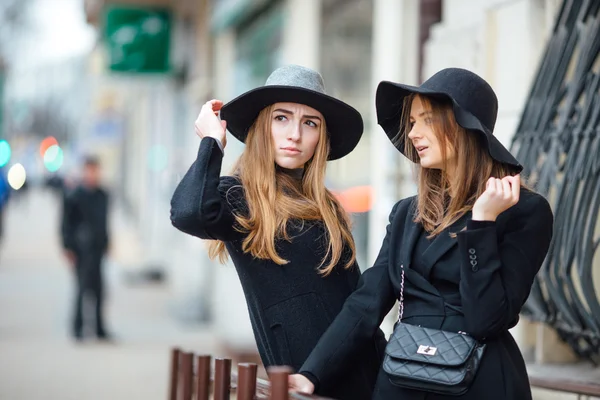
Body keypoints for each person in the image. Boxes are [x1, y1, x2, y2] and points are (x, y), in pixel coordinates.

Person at [289, 68, 554, 399]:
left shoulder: (524, 211)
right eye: (412, 121)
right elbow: (367, 302)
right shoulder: (406, 213)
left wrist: (482, 222)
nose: (412, 133)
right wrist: (313, 372)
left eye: (426, 120)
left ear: (463, 127)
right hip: (403, 378)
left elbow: (486, 320)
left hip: (478, 381)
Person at [170, 65, 386, 399]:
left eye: (309, 123)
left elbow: (355, 303)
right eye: (281, 118)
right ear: (261, 127)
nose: (295, 134)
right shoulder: (240, 197)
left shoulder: (327, 207)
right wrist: (212, 142)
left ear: (321, 138)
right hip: (305, 384)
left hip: (368, 374)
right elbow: (188, 213)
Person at [61, 156, 111, 341]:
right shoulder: (74, 195)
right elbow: (66, 223)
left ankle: (99, 329)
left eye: (95, 170)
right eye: (89, 170)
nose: (93, 174)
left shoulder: (103, 195)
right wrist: (67, 247)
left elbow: (105, 222)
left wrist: (107, 243)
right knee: (82, 289)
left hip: (97, 248)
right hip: (80, 250)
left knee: (99, 290)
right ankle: (77, 328)